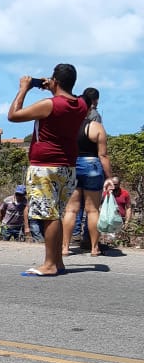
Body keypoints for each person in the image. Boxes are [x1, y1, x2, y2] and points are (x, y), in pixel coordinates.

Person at [8, 63, 88, 276]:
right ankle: (58, 262)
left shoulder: (49, 105)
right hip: (68, 166)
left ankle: (50, 264)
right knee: (56, 214)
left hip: (45, 166)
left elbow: (13, 115)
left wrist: (24, 88)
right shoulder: (81, 104)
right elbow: (69, 98)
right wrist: (53, 86)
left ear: (56, 80)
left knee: (47, 215)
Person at [61, 91, 113, 257]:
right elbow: (103, 156)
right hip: (92, 165)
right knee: (92, 210)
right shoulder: (96, 127)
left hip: (73, 165)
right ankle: (94, 248)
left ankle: (65, 247)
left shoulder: (67, 126)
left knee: (71, 210)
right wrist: (109, 177)